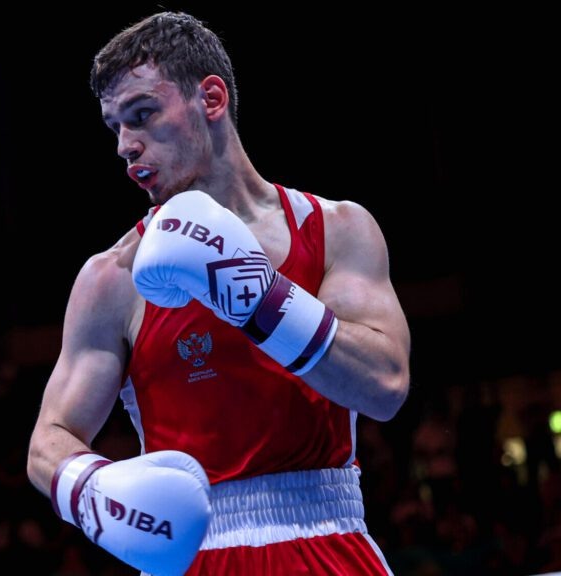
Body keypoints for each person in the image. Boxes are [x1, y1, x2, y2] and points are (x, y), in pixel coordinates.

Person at [27, 12, 410, 576]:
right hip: (192, 553)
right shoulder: (111, 277)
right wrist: (92, 489)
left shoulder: (337, 231)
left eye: (142, 114)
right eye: (115, 127)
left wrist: (258, 297)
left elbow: (386, 386)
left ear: (210, 98)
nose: (125, 146)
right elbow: (49, 441)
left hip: (326, 541)